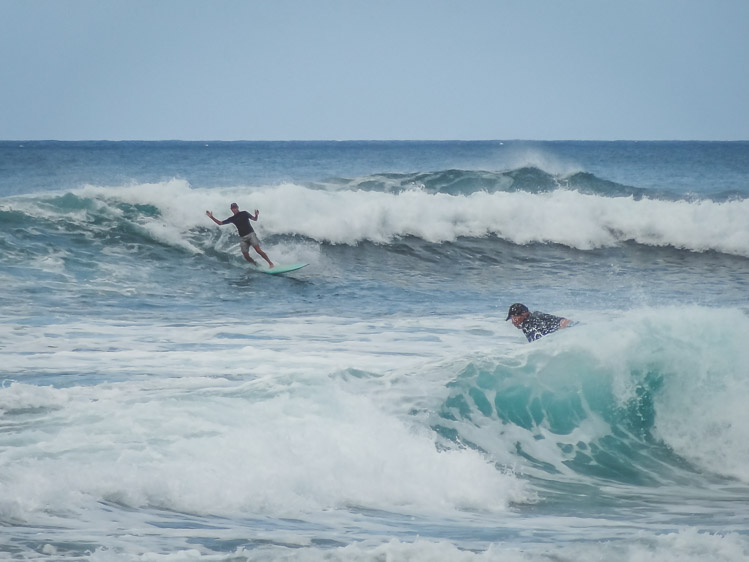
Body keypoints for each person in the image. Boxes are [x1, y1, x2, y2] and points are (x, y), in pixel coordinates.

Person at [206, 203, 274, 268]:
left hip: (251, 234)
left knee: (258, 250)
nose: (234, 209)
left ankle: (270, 263)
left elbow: (254, 219)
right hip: (243, 238)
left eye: (235, 207)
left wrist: (256, 215)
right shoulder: (232, 218)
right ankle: (255, 264)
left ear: (237, 207)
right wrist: (211, 217)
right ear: (231, 209)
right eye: (233, 208)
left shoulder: (244, 213)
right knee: (246, 256)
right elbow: (220, 223)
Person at [505, 303, 573, 342]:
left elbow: (536, 344)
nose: (513, 322)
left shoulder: (527, 325)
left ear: (523, 314)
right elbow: (562, 321)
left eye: (513, 318)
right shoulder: (536, 314)